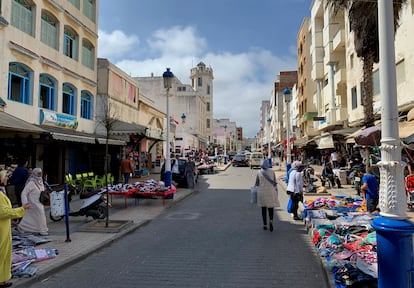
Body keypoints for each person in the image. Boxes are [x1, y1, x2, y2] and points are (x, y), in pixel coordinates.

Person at [0, 189, 30, 288]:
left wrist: (11, 219)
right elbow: (3, 212)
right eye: (5, 176)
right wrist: (21, 209)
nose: (7, 179)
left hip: (4, 227)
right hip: (1, 230)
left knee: (4, 254)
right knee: (2, 254)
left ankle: (2, 279)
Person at [17, 168, 49, 236]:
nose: (40, 175)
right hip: (33, 202)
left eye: (41, 173)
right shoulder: (31, 182)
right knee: (41, 215)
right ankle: (42, 230)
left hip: (39, 201)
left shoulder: (40, 181)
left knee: (31, 216)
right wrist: (25, 203)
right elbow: (24, 193)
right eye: (38, 173)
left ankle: (22, 227)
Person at [254, 160, 280, 231]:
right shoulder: (272, 172)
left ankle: (264, 224)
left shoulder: (259, 172)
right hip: (271, 192)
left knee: (263, 209)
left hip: (262, 193)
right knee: (271, 208)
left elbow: (256, 183)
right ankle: (271, 221)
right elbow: (274, 182)